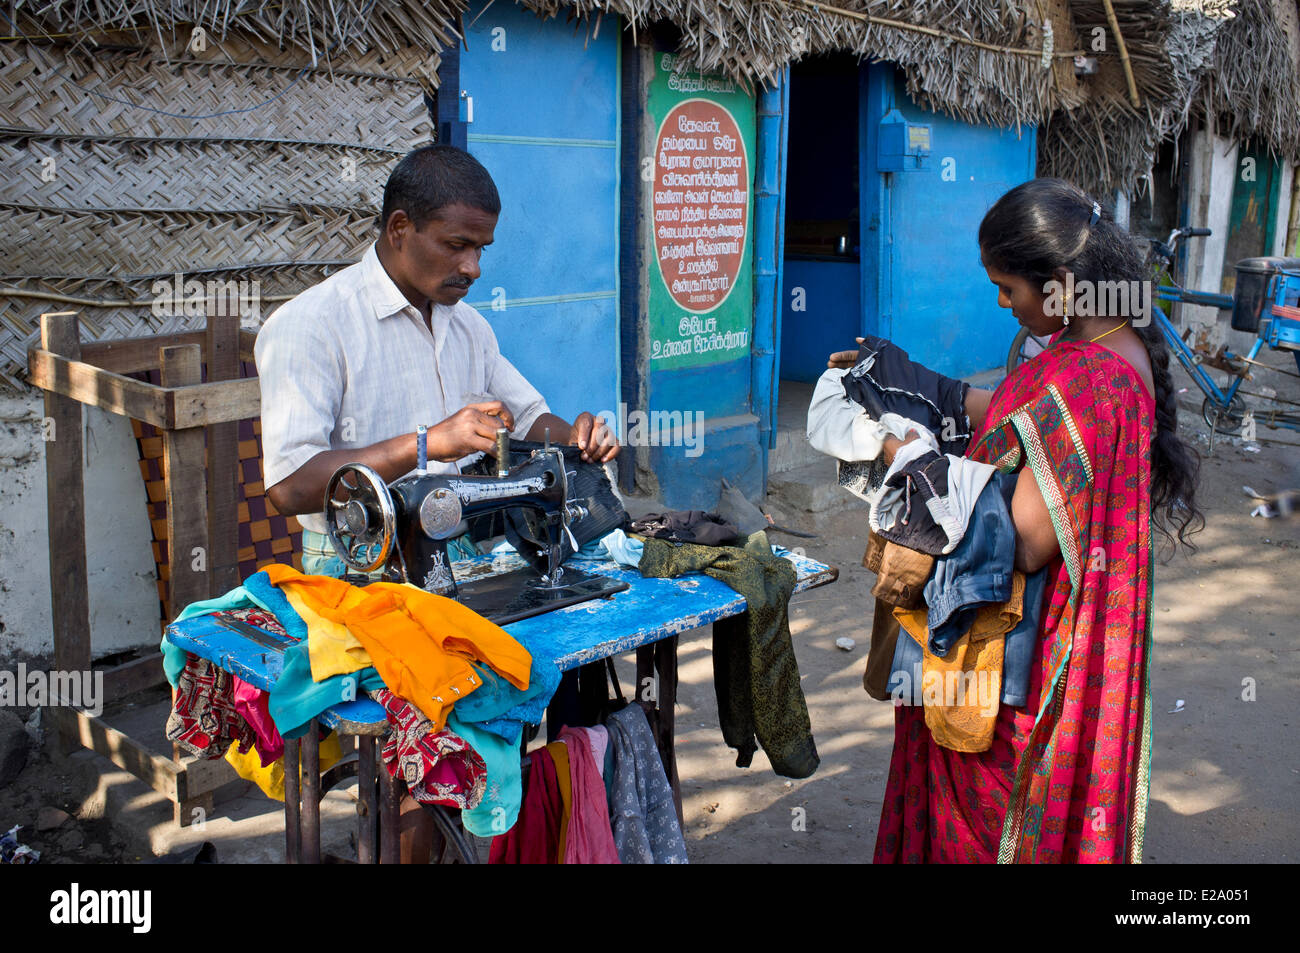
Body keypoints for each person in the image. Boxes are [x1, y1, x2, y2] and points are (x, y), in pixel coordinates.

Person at [830, 177, 1202, 863]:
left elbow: (1024, 537)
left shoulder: (1096, 378)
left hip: (1028, 651)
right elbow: (1020, 412)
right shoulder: (1105, 337)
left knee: (985, 818)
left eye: (1010, 289)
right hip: (1038, 630)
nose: (1005, 305)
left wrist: (904, 455)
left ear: (1059, 281)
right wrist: (924, 387)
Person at [256, 144, 619, 573]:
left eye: (481, 249)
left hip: (459, 547)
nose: (473, 268)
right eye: (456, 245)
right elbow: (289, 485)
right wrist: (426, 443)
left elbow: (527, 418)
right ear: (399, 229)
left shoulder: (466, 326)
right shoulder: (312, 325)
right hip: (359, 564)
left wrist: (578, 439)